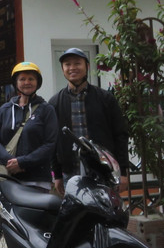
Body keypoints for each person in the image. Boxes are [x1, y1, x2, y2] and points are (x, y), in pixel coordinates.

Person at [48, 47, 130, 186]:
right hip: (70, 173)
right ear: (62, 69)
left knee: (105, 207)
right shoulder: (55, 102)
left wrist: (122, 171)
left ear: (87, 66)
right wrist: (57, 175)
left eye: (77, 63)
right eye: (67, 64)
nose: (72, 68)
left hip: (103, 170)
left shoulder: (106, 98)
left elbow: (120, 135)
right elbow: (53, 141)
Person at [0, 61, 59, 190]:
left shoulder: (47, 110)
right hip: (8, 177)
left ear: (38, 82)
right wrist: (9, 161)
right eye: (22, 79)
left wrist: (22, 162)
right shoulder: (6, 109)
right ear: (16, 83)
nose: (27, 82)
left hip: (37, 179)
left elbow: (50, 144)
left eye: (31, 79)